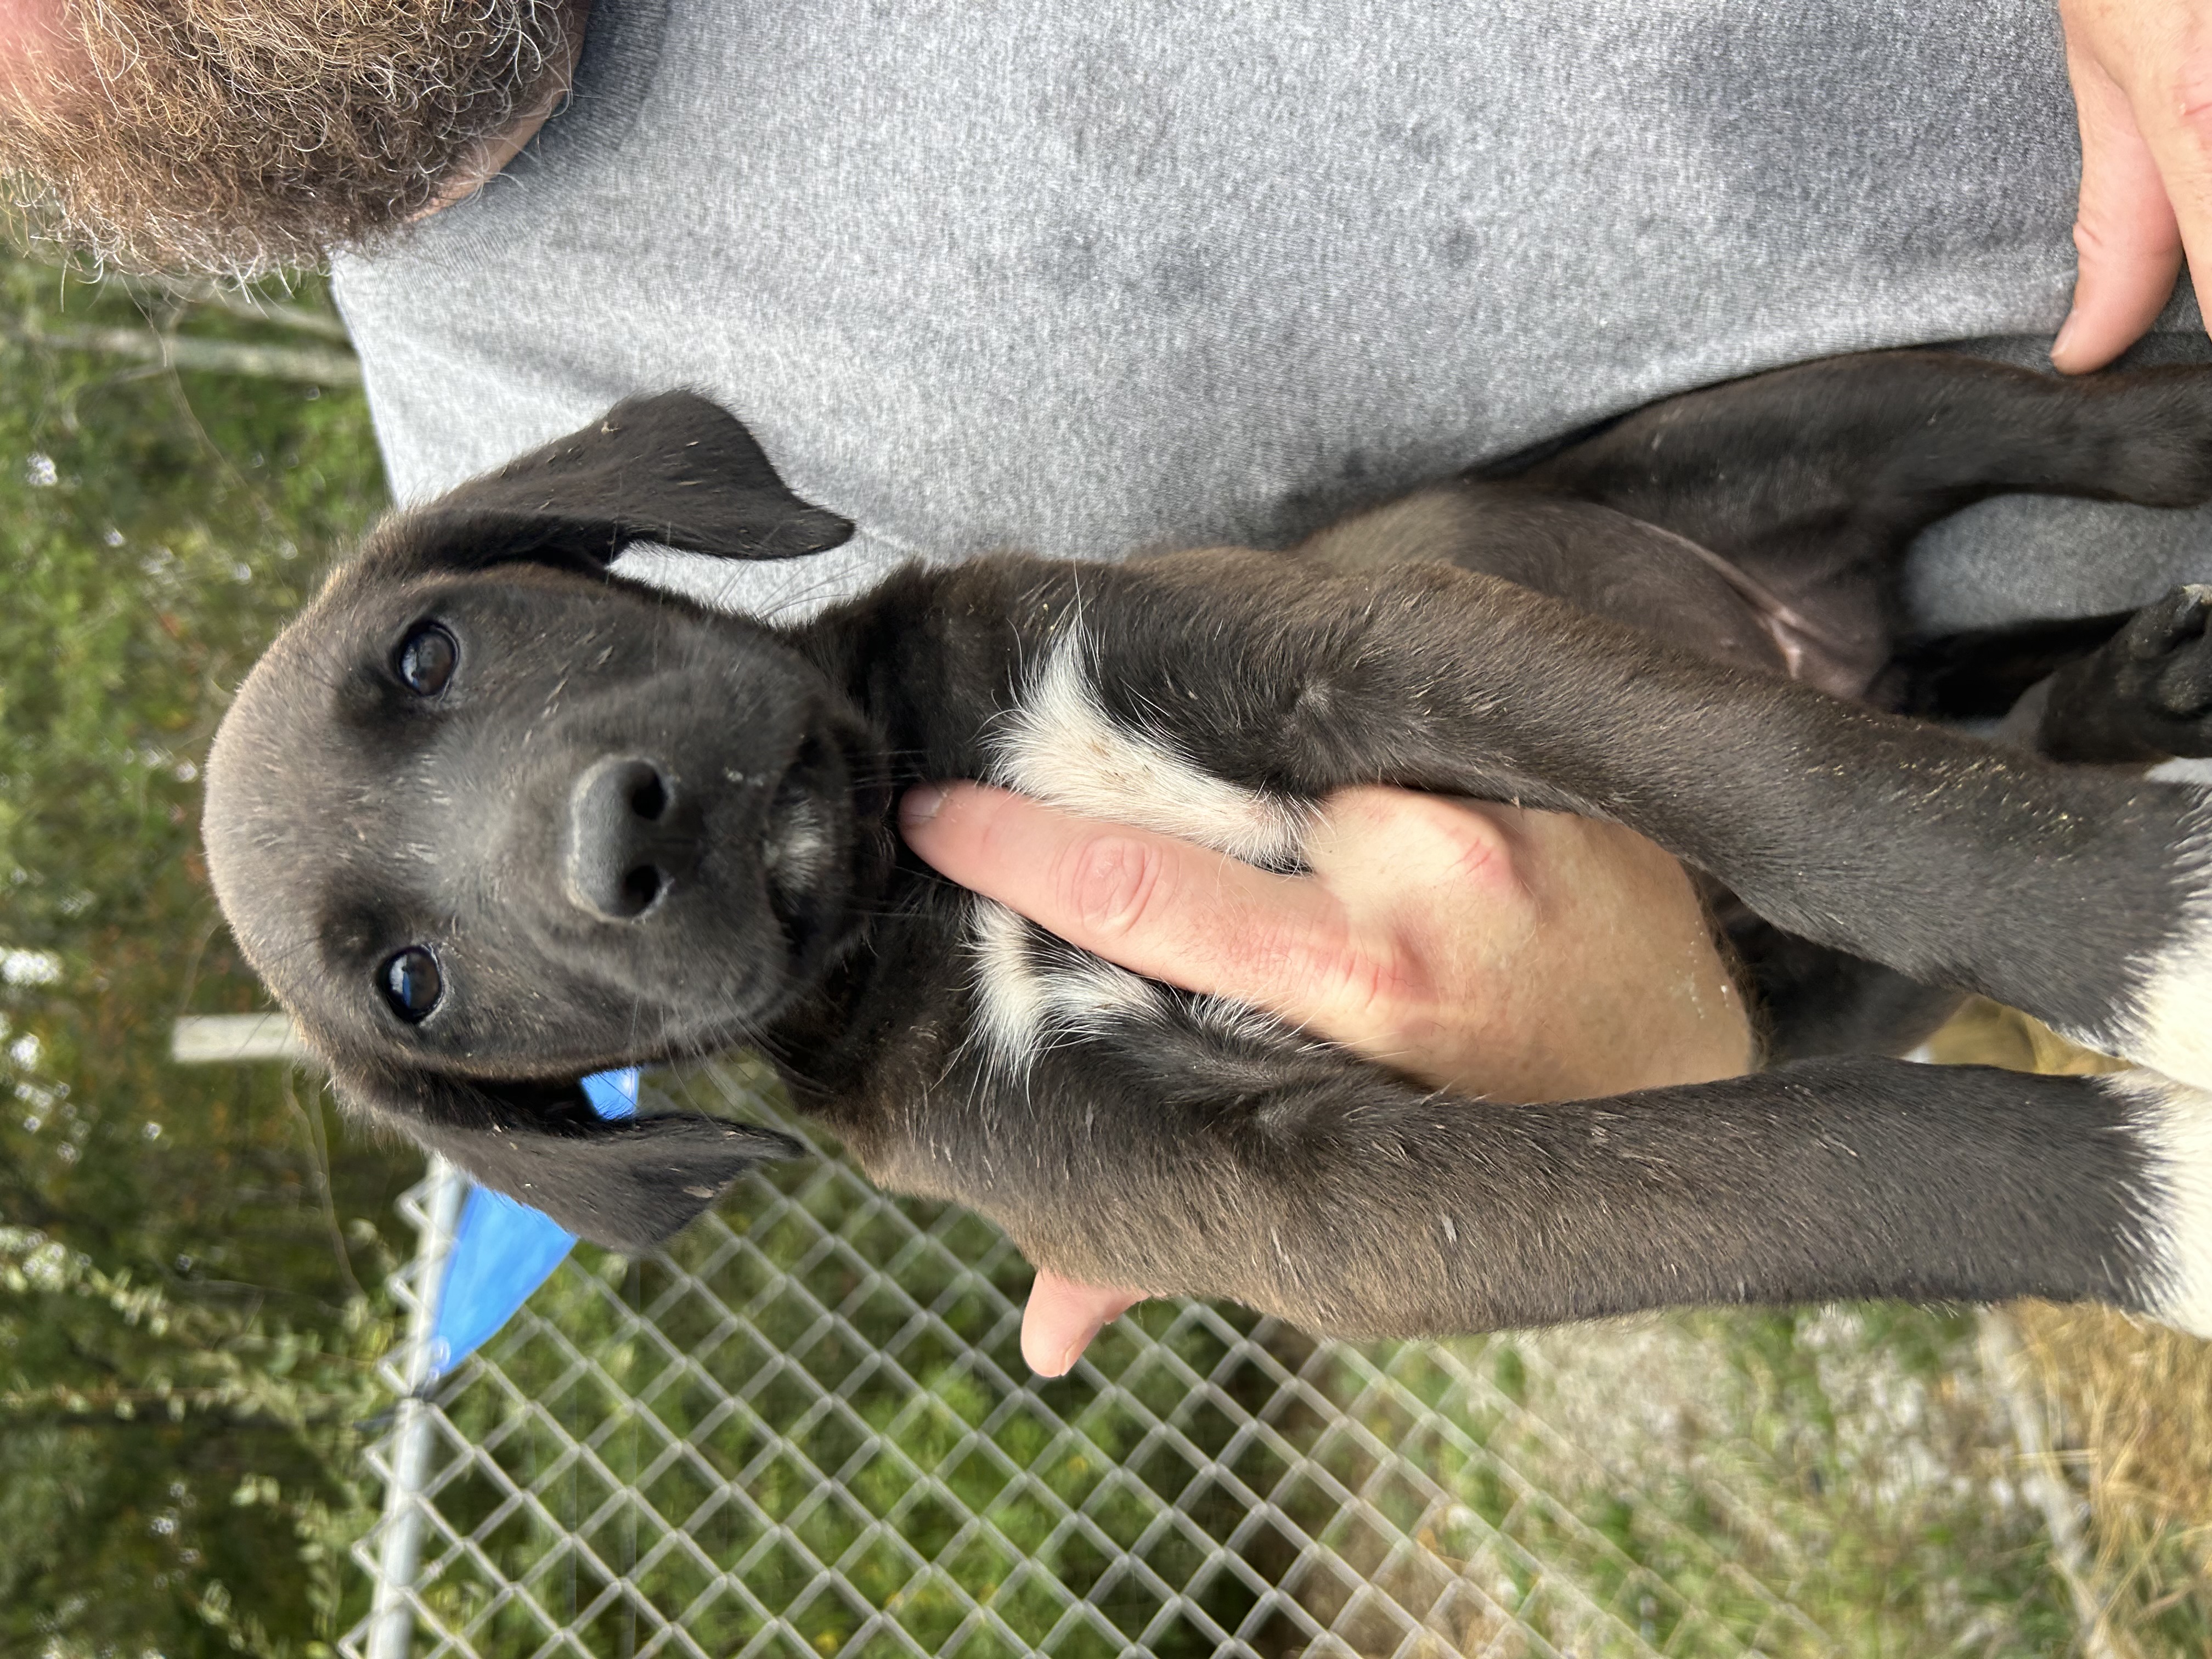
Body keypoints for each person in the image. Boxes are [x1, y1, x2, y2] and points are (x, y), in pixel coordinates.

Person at [4, 0, 2209, 1373]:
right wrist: (1656, 1041)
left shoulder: (943, 622)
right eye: (412, 979)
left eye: (430, 669)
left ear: (609, 528)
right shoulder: (493, 454)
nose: (567, 829)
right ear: (520, 1104)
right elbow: (1406, 1193)